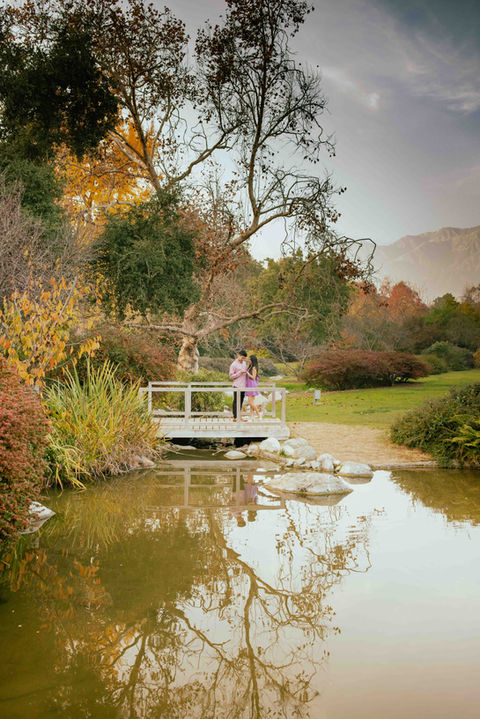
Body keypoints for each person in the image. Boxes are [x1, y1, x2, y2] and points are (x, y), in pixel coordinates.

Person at [229, 349, 247, 420]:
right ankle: (235, 417)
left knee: (241, 401)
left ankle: (239, 416)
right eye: (242, 357)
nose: (243, 359)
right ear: (238, 355)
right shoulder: (233, 364)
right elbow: (231, 376)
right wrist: (239, 373)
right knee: (236, 401)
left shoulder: (244, 363)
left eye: (244, 358)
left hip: (243, 385)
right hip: (237, 385)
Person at [245, 354, 261, 419]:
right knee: (252, 402)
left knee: (250, 402)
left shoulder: (254, 368)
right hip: (249, 385)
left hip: (252, 385)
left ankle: (259, 414)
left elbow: (253, 377)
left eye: (249, 359)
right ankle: (251, 416)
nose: (248, 360)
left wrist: (247, 373)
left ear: (252, 360)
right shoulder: (250, 367)